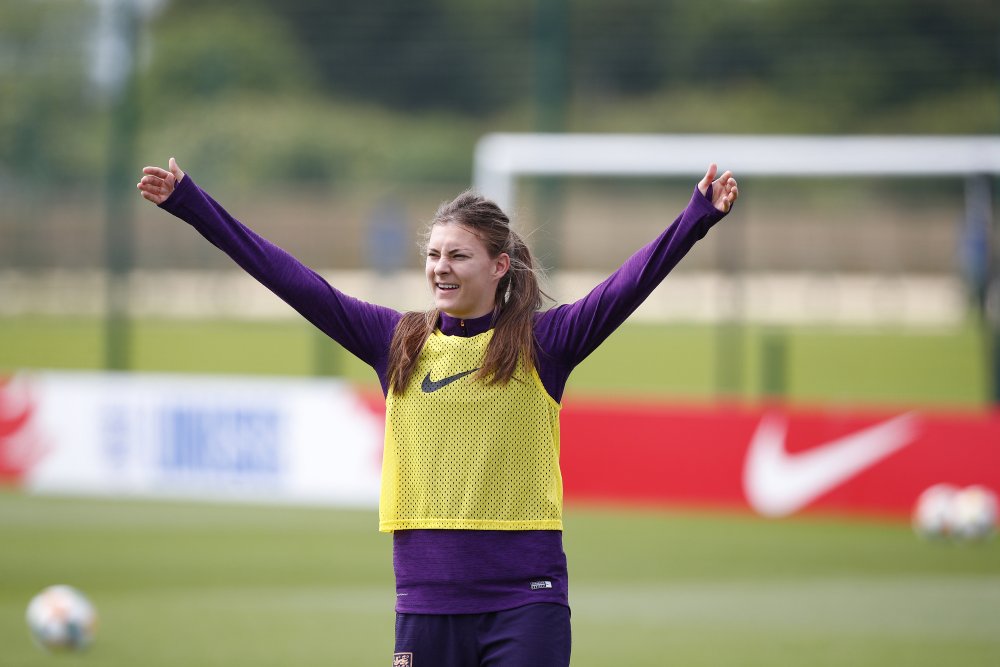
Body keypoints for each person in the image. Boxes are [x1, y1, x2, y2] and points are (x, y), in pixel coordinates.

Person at [137, 157, 738, 666]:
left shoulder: (545, 343)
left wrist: (696, 218)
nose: (440, 267)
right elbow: (290, 278)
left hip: (526, 598)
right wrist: (191, 204)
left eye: (458, 255)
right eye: (433, 254)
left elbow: (628, 284)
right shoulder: (396, 341)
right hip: (425, 601)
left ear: (500, 266)